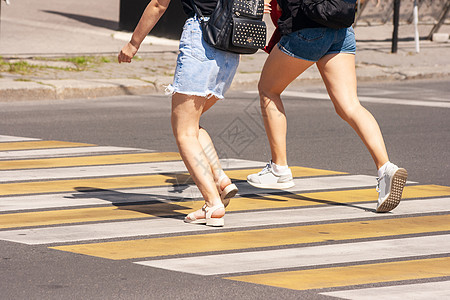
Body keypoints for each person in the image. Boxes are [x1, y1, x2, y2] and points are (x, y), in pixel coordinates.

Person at [247, 0, 408, 213]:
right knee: (350, 105)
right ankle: (385, 168)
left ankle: (279, 168)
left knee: (268, 90)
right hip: (341, 28)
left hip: (306, 29)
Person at [118, 0, 243, 226]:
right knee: (191, 124)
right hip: (230, 44)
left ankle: (213, 203)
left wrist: (133, 43)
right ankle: (221, 180)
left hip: (203, 39)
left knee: (183, 130)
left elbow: (158, 4)